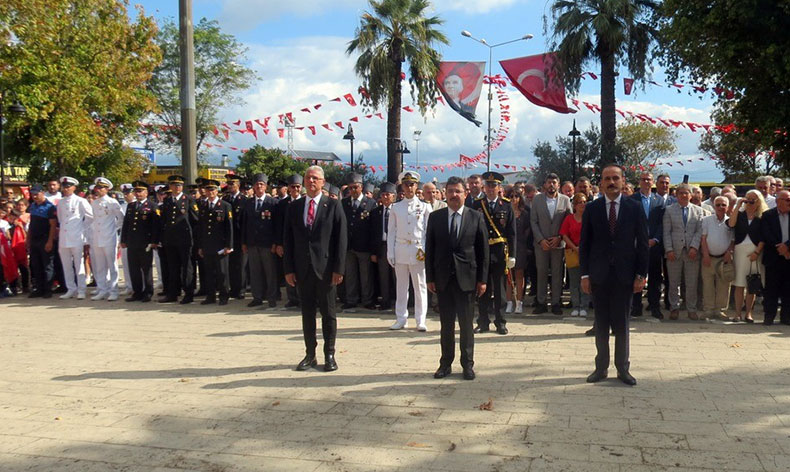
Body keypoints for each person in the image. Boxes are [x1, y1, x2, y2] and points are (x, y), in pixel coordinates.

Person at [580, 164, 648, 386]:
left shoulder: (635, 207)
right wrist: (584, 275)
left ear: (623, 181)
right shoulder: (592, 208)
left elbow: (642, 244)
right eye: (607, 178)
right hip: (599, 275)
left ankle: (623, 368)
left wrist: (641, 274)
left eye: (615, 178)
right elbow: (585, 244)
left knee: (622, 324)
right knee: (600, 324)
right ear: (601, 183)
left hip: (624, 275)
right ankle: (601, 368)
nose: (611, 182)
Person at [283, 166, 347, 372]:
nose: (311, 181)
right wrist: (289, 269)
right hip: (303, 268)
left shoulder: (333, 205)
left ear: (322, 182)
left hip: (326, 268)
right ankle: (310, 354)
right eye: (308, 178)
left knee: (328, 313)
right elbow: (288, 240)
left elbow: (341, 239)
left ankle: (330, 354)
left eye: (315, 178)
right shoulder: (295, 207)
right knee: (307, 313)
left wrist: (339, 268)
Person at [426, 176, 489, 380]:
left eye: (458, 191)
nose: (454, 195)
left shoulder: (476, 217)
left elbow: (483, 251)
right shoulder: (436, 217)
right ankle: (445, 364)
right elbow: (430, 249)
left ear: (465, 193)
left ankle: (467, 365)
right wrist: (430, 277)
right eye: (450, 191)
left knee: (466, 325)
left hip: (467, 279)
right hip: (443, 278)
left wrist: (482, 280)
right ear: (445, 194)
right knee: (446, 325)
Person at [388, 171, 432, 331]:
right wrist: (390, 252)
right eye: (406, 185)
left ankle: (421, 320)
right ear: (402, 187)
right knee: (401, 287)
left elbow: (428, 231)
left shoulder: (425, 206)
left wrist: (426, 250)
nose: (409, 188)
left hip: (418, 249)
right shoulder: (396, 207)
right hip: (400, 249)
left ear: (416, 186)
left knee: (420, 287)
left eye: (412, 184)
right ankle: (401, 318)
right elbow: (391, 231)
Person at [472, 171, 515, 334]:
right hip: (482, 251)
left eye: (494, 186)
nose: (491, 189)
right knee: (482, 288)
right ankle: (483, 322)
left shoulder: (506, 205)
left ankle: (500, 322)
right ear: (484, 187)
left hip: (499, 251)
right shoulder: (477, 204)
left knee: (499, 290)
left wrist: (512, 255)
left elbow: (512, 232)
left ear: (499, 187)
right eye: (488, 186)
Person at [530, 173, 572, 315]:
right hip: (541, 243)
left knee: (557, 273)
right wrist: (540, 239)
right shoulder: (537, 200)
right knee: (541, 272)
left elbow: (568, 221)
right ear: (545, 185)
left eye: (554, 182)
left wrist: (560, 237)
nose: (551, 185)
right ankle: (541, 302)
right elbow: (533, 221)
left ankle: (555, 302)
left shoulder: (565, 200)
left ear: (558, 185)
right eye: (549, 182)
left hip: (557, 243)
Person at [663, 183, 705, 320]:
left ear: (691, 195)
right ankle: (674, 308)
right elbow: (666, 232)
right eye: (681, 193)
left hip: (692, 253)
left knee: (692, 283)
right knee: (673, 283)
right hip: (674, 252)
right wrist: (669, 249)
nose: (684, 195)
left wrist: (694, 247)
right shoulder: (669, 210)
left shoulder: (698, 211)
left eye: (686, 193)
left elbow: (699, 231)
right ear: (676, 195)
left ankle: (691, 309)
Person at [630, 172, 668, 318]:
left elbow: (662, 223)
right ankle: (636, 306)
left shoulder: (659, 201)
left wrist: (656, 239)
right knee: (637, 275)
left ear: (653, 182)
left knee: (655, 277)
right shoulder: (632, 199)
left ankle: (654, 306)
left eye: (649, 180)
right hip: (637, 245)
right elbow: (629, 223)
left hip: (654, 245)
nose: (646, 182)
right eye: (643, 179)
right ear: (639, 182)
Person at [157, 175, 198, 304]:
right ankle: (173, 293)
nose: (177, 187)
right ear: (170, 186)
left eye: (179, 185)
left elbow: (195, 220)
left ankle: (188, 294)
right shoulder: (168, 200)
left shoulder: (189, 200)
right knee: (172, 267)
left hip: (185, 239)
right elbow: (164, 221)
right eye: (174, 185)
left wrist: (194, 239)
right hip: (170, 239)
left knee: (187, 267)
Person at [240, 173, 279, 308]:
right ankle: (257, 297)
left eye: (261, 184)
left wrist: (275, 243)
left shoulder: (273, 203)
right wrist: (244, 242)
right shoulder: (248, 203)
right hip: (252, 243)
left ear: (266, 186)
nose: (259, 186)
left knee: (270, 272)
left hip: (267, 244)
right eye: (256, 184)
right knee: (254, 271)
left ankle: (272, 298)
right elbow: (244, 224)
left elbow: (277, 225)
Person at [728, 190, 767, 322]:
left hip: (755, 251)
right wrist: (738, 206)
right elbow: (731, 224)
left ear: (759, 201)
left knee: (752, 284)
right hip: (740, 250)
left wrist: (757, 252)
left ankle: (748, 313)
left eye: (753, 199)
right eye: (748, 198)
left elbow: (764, 237)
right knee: (739, 284)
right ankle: (738, 313)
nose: (750, 201)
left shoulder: (762, 216)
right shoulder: (740, 214)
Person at [341, 173, 377, 311]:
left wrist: (373, 249)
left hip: (364, 246)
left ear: (361, 187)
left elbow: (374, 228)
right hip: (349, 245)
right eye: (350, 188)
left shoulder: (370, 203)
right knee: (350, 274)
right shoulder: (344, 203)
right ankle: (351, 299)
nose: (353, 190)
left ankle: (367, 300)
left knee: (366, 275)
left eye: (355, 187)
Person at [196, 179, 233, 305]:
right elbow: (201, 228)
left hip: (220, 246)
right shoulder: (203, 206)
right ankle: (210, 296)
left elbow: (229, 227)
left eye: (212, 190)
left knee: (222, 272)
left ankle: (224, 296)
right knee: (209, 272)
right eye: (208, 190)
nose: (210, 192)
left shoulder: (225, 205)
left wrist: (229, 245)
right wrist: (200, 246)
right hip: (207, 245)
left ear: (217, 191)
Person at [120, 181, 158, 302]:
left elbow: (155, 226)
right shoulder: (131, 206)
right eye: (136, 191)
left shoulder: (152, 205)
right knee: (134, 269)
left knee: (146, 269)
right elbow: (126, 224)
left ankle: (148, 292)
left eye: (140, 191)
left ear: (146, 192)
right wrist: (123, 239)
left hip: (145, 243)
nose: (138, 193)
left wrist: (154, 241)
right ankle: (137, 292)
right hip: (132, 242)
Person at [56, 176, 93, 299]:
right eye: (64, 186)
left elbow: (90, 216)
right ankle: (70, 288)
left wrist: (82, 228)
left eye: (68, 186)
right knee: (66, 265)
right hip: (64, 237)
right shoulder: (61, 202)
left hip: (77, 236)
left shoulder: (80, 201)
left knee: (79, 264)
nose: (66, 189)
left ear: (74, 188)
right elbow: (60, 219)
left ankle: (81, 289)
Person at [699, 196, 734, 320]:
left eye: (723, 205)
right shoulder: (706, 220)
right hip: (708, 258)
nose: (720, 207)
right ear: (714, 206)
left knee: (723, 285)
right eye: (718, 205)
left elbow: (733, 240)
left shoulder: (731, 222)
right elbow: (703, 239)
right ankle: (708, 310)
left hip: (724, 259)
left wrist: (729, 252)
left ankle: (720, 310)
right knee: (707, 285)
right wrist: (705, 255)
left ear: (727, 207)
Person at [760, 190, 790, 325]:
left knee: (788, 288)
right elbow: (766, 234)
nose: (789, 202)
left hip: (789, 256)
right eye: (787, 200)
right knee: (771, 289)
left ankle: (786, 317)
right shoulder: (768, 215)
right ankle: (769, 316)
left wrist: (787, 246)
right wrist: (781, 248)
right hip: (773, 257)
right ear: (778, 201)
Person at [275, 174, 304, 309]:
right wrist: (279, 244)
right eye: (293, 187)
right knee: (288, 268)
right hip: (287, 242)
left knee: (301, 270)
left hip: (301, 242)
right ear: (288, 188)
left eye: (298, 186)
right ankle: (292, 298)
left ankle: (302, 297)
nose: (295, 189)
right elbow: (278, 225)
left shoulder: (305, 202)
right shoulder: (282, 204)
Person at [560, 193, 589, 317]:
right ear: (575, 205)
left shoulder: (589, 218)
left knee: (585, 280)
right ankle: (576, 305)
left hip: (587, 253)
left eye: (584, 202)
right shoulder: (569, 219)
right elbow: (564, 235)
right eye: (580, 202)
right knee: (574, 281)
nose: (582, 204)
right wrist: (574, 247)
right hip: (572, 252)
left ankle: (584, 306)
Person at [26, 186, 57, 299]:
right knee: (36, 264)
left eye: (36, 194)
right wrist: (28, 239)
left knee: (47, 265)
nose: (34, 196)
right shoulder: (33, 206)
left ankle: (48, 289)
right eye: (32, 194)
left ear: (42, 193)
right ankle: (39, 288)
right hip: (34, 239)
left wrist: (50, 241)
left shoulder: (50, 207)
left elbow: (53, 225)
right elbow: (31, 224)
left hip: (45, 238)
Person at [369, 182, 397, 311]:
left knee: (397, 276)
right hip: (382, 247)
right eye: (383, 194)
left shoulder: (398, 210)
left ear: (394, 196)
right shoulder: (375, 212)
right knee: (383, 275)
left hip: (396, 246)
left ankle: (399, 301)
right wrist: (373, 252)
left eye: (388, 194)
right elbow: (372, 233)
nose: (385, 197)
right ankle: (385, 301)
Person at [222, 174, 247, 300]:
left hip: (239, 236)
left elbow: (245, 222)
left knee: (240, 265)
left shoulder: (244, 200)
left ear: (238, 185)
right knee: (230, 265)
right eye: (229, 184)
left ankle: (241, 289)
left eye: (232, 184)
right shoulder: (225, 199)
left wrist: (245, 240)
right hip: (228, 237)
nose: (230, 186)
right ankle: (233, 288)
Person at [509, 190, 531, 314]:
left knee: (519, 274)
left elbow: (527, 230)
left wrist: (523, 243)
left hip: (521, 246)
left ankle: (519, 302)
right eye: (511, 196)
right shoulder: (505, 212)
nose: (513, 198)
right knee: (508, 275)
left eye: (516, 196)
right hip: (507, 246)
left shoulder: (525, 214)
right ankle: (509, 301)